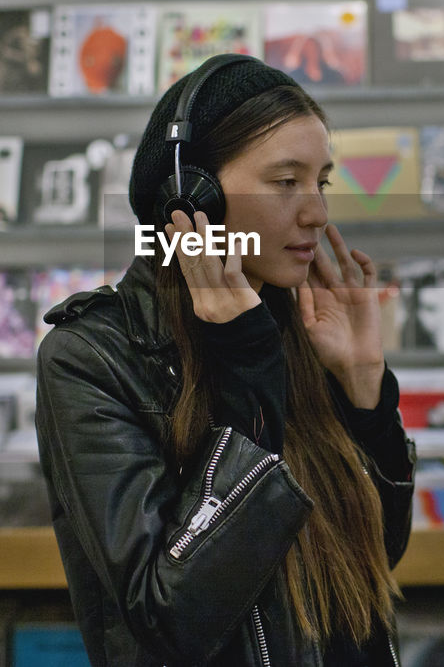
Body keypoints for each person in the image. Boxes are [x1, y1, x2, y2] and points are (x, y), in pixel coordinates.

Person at [36, 54, 415, 666]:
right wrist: (248, 372)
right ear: (195, 199)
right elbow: (173, 617)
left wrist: (363, 391)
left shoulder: (298, 328)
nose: (316, 212)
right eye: (285, 182)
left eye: (321, 183)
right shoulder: (91, 359)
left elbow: (373, 558)